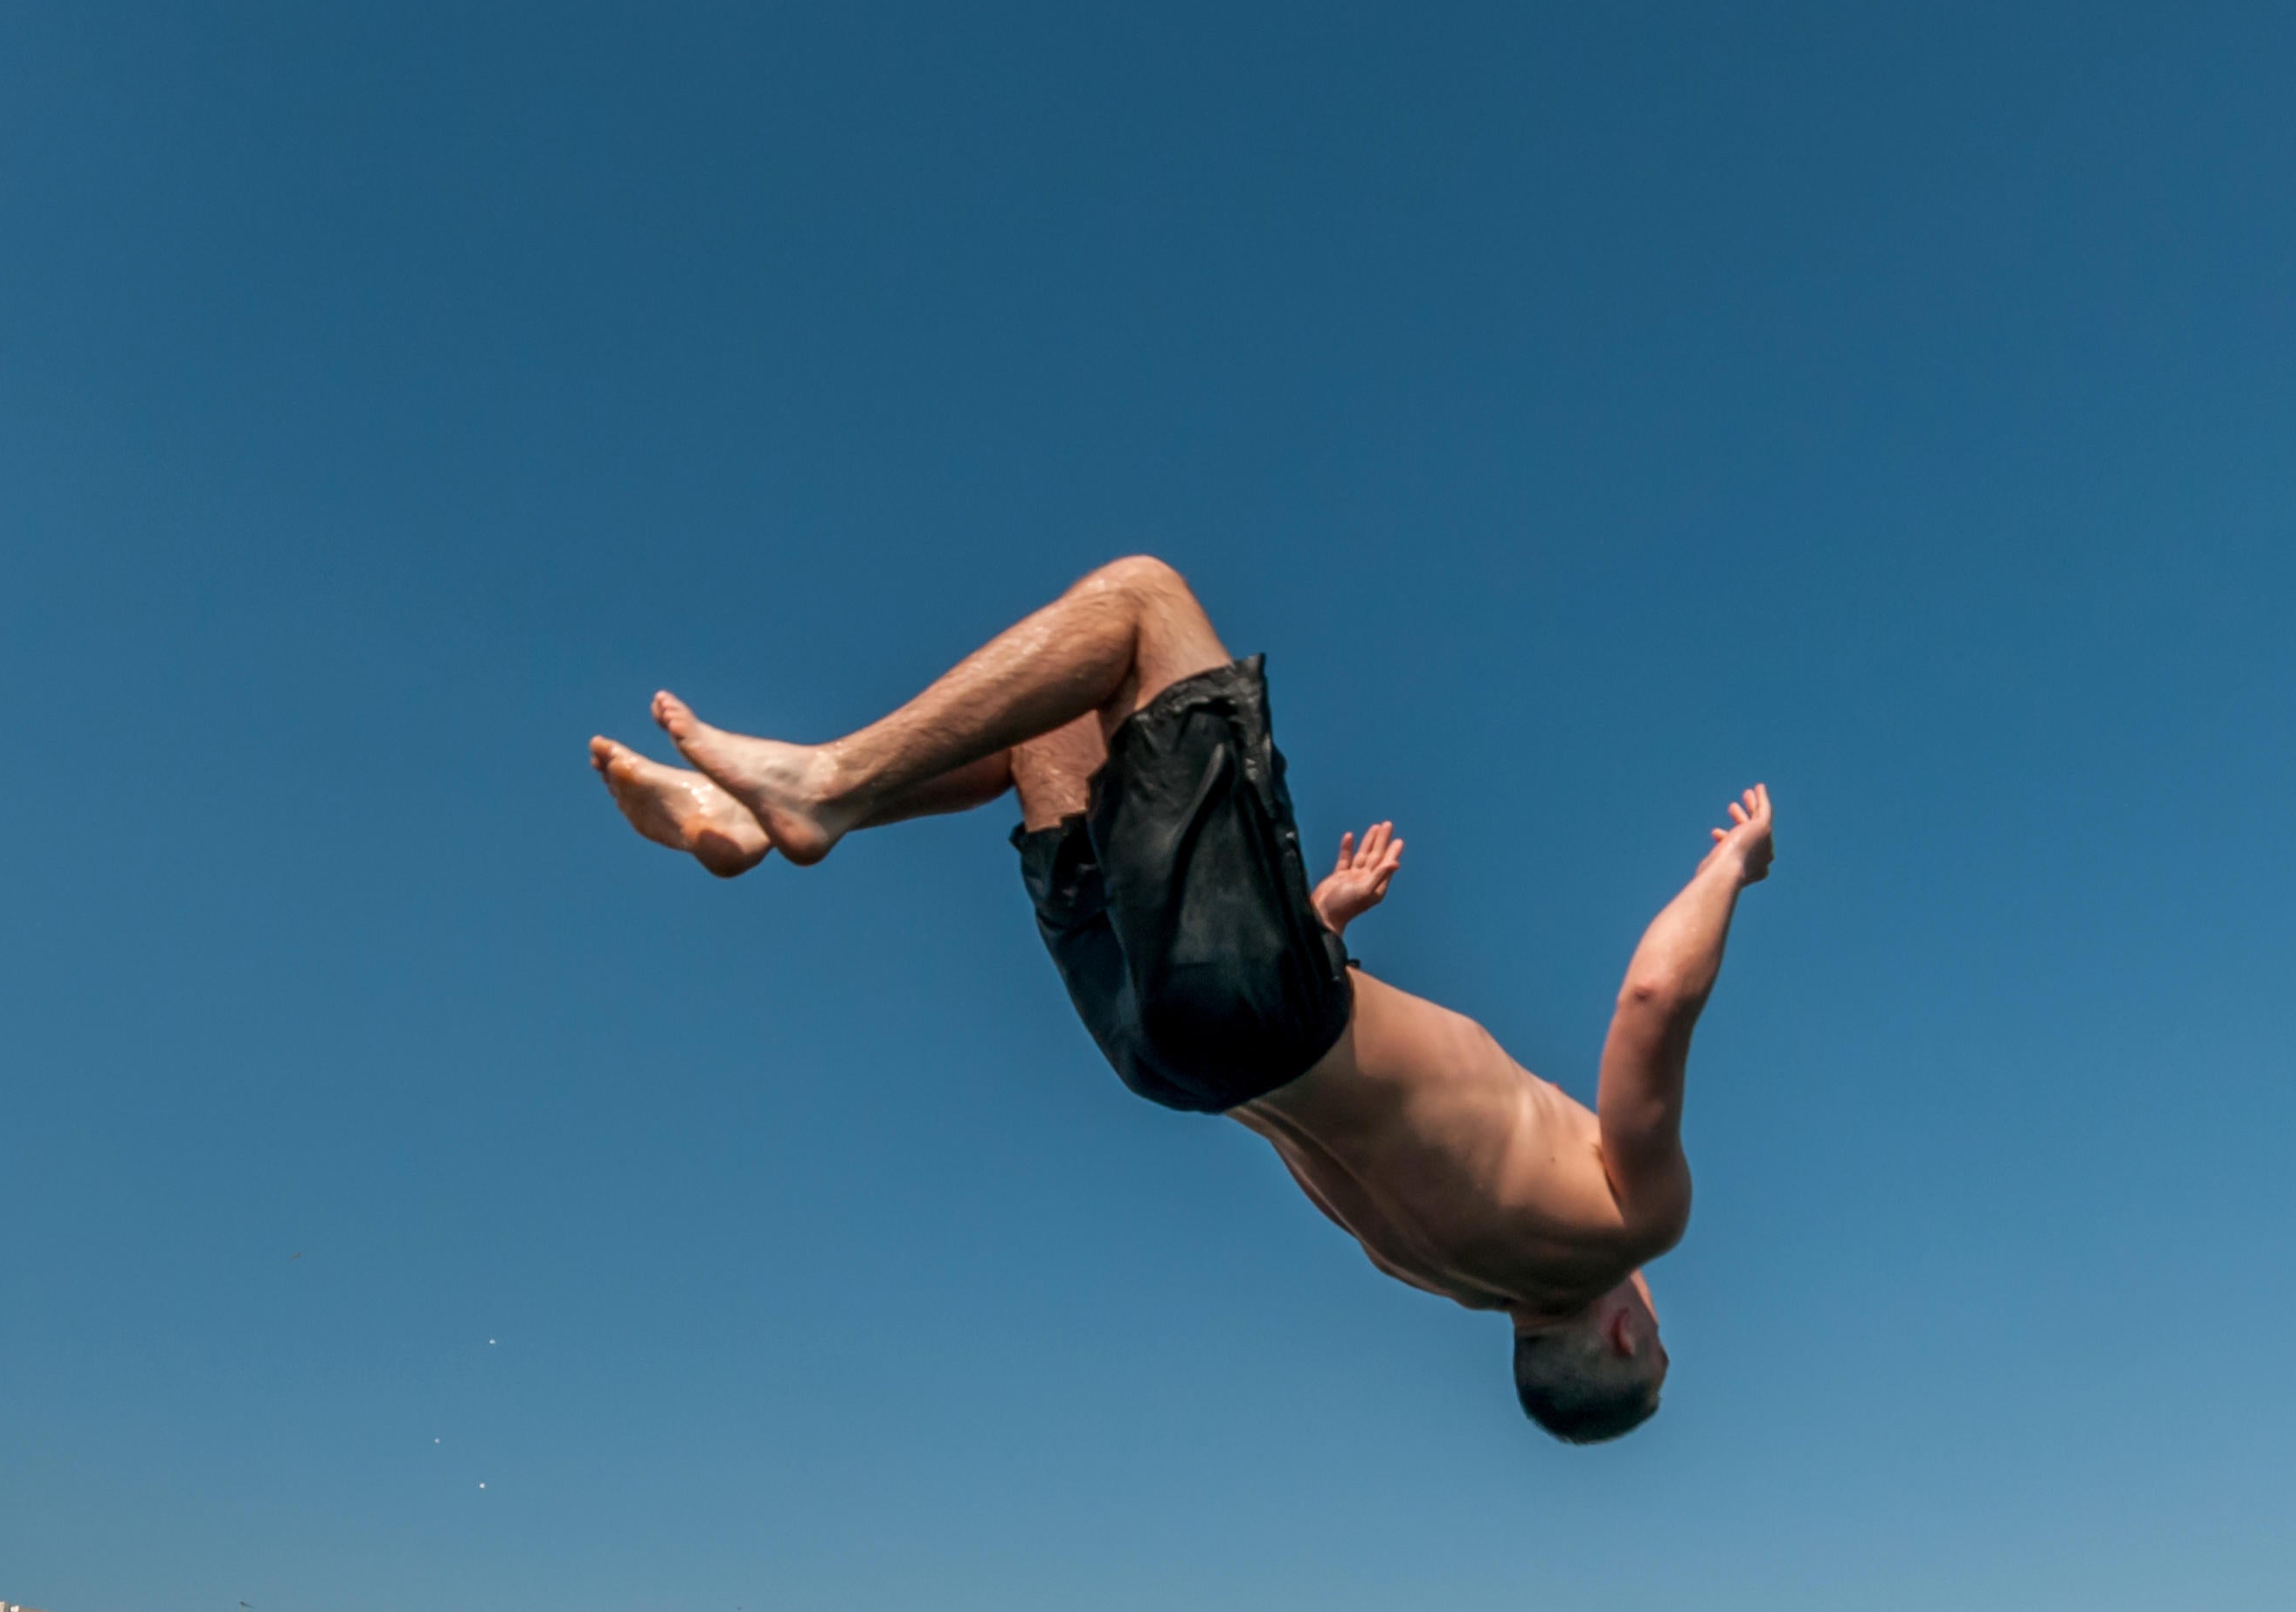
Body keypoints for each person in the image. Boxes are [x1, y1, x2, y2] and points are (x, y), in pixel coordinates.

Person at [591, 556, 1776, 1441]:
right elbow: (1312, 1104)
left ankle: (822, 787)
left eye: (1660, 1342)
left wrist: (1731, 865)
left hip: (1269, 1010)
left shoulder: (1633, 1222)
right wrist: (1312, 926)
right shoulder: (1425, 1265)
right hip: (1171, 1055)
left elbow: (1657, 994)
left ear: (1622, 1332)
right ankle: (752, 825)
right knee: (1048, 711)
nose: (1662, 1312)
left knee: (1140, 603)